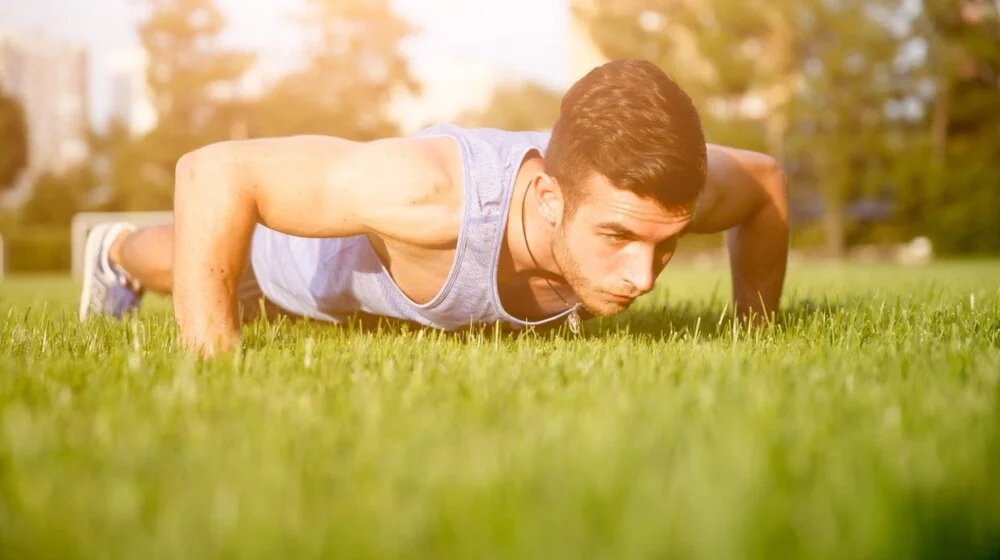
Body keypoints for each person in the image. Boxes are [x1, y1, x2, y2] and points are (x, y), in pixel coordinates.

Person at [78, 59, 789, 355]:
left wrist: (755, 331)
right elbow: (212, 172)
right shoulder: (431, 193)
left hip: (381, 292)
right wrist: (213, 372)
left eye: (665, 245)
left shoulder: (656, 193)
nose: (645, 276)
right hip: (289, 264)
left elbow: (764, 183)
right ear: (547, 197)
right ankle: (111, 252)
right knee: (191, 264)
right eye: (618, 238)